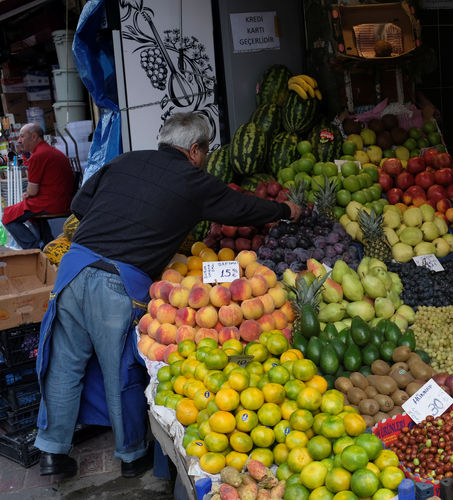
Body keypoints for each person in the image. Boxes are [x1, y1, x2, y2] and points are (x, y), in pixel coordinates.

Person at [34, 112, 301, 478]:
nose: (205, 159)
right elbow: (242, 209)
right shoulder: (194, 180)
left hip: (72, 270)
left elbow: (80, 205)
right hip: (116, 282)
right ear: (194, 150)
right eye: (205, 152)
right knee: (121, 369)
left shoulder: (123, 160)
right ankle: (130, 456)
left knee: (64, 366)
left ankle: (51, 453)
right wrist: (285, 210)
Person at [2, 123, 75, 249]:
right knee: (24, 209)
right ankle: (47, 243)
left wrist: (28, 193)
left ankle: (33, 249)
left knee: (7, 217)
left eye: (22, 136)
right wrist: (30, 193)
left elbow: (32, 190)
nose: (19, 140)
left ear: (34, 136)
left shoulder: (39, 155)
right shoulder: (48, 151)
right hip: (63, 199)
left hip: (52, 202)